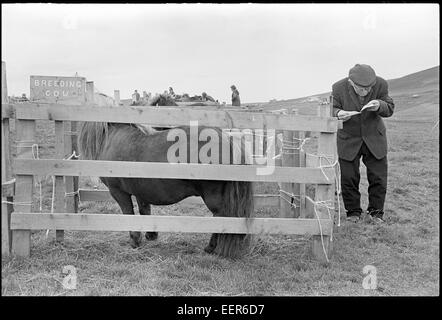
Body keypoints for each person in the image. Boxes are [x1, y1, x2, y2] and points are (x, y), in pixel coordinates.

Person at [332, 64, 395, 223]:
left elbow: (390, 108)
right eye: (362, 89)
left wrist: (380, 105)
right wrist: (338, 114)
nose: (366, 91)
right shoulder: (338, 87)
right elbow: (331, 109)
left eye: (369, 89)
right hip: (348, 139)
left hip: (375, 138)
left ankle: (376, 213)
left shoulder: (381, 84)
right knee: (349, 178)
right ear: (351, 83)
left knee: (378, 179)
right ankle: (353, 212)